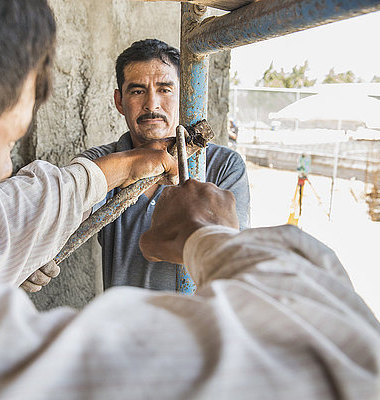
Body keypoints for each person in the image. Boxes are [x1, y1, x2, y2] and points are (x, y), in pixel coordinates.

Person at [0, 1, 380, 399]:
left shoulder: (212, 163)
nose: (5, 169)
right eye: (9, 142)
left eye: (166, 88)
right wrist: (209, 236)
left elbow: (3, 221)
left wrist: (127, 168)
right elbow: (345, 365)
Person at [79, 39, 251, 291]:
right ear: (119, 101)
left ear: (183, 96)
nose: (152, 104)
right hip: (121, 328)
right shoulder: (100, 162)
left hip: (195, 328)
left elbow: (233, 261)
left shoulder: (223, 166)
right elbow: (60, 220)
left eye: (165, 89)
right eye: (137, 91)